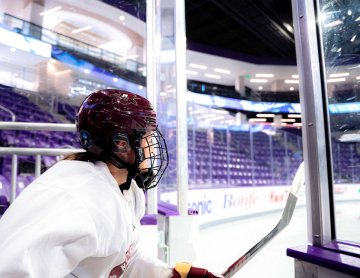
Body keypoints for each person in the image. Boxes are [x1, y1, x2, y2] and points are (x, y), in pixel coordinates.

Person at [0, 89, 223, 277]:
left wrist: (172, 274)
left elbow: (122, 261)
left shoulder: (126, 190)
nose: (154, 147)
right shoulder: (76, 199)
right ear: (120, 144)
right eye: (148, 137)